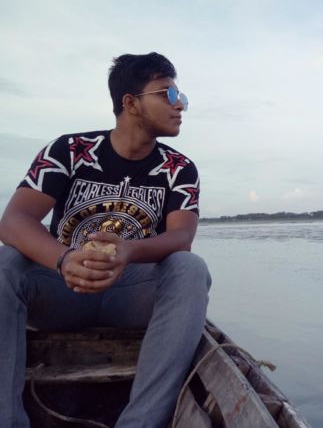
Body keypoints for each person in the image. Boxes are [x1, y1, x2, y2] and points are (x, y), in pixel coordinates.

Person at [0, 52, 212, 427]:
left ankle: (139, 422)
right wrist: (64, 259)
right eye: (168, 93)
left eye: (181, 96)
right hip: (63, 289)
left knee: (189, 268)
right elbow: (14, 221)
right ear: (130, 103)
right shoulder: (68, 151)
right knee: (5, 262)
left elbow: (181, 237)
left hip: (130, 294)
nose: (180, 105)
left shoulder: (179, 169)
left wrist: (129, 251)